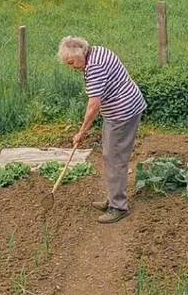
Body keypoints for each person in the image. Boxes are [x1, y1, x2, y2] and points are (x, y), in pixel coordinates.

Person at [58, 36, 146, 224]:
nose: (72, 67)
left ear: (81, 54)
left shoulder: (94, 67)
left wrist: (81, 132)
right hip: (123, 107)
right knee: (110, 155)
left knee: (114, 158)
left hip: (122, 113)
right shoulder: (97, 51)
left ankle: (118, 206)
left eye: (72, 62)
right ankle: (113, 197)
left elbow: (93, 106)